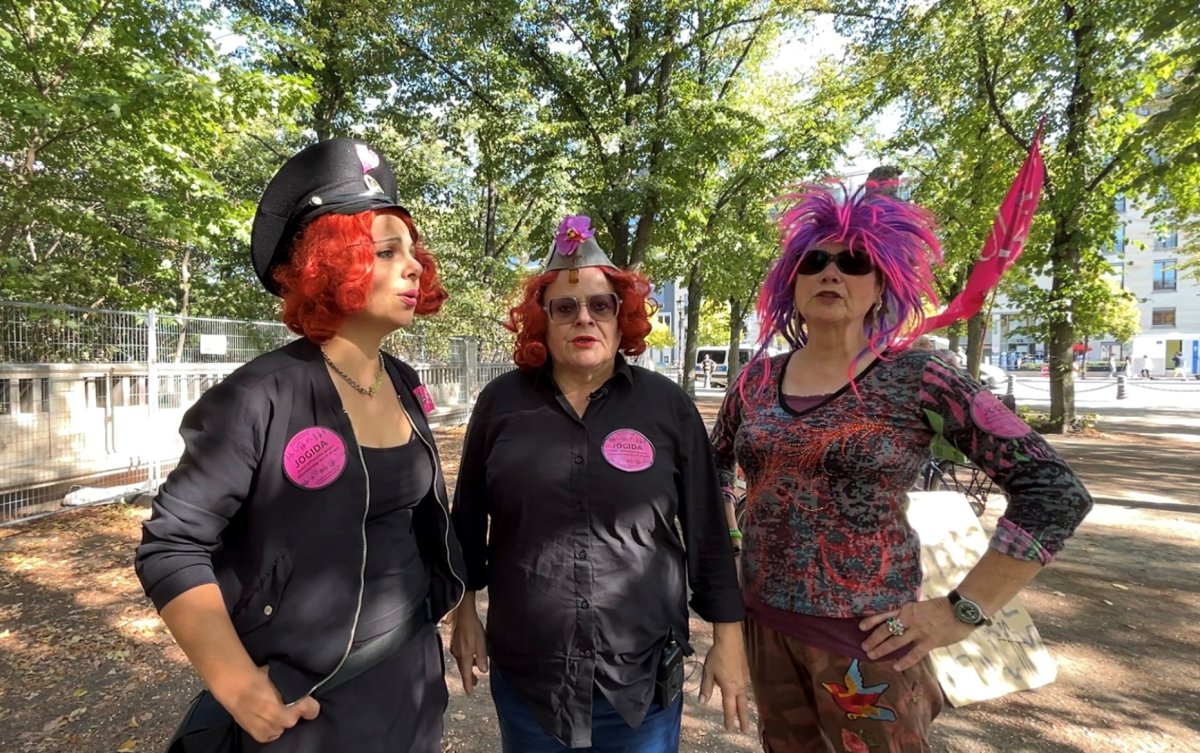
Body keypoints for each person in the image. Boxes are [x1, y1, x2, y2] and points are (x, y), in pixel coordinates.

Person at [710, 182, 1094, 752]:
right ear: (792, 280)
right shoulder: (756, 380)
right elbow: (712, 471)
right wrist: (734, 561)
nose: (831, 273)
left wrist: (961, 611)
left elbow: (1054, 492)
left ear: (882, 283)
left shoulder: (919, 376)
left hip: (871, 644)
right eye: (814, 260)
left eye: (855, 261)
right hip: (765, 632)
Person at [135, 139, 467, 752]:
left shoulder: (407, 384)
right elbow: (172, 545)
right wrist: (235, 683)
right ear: (333, 265)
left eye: (411, 250)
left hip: (412, 681)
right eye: (386, 251)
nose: (415, 266)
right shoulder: (258, 396)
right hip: (310, 710)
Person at [449, 215, 749, 752]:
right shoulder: (501, 403)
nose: (583, 317)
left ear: (622, 316)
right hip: (531, 675)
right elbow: (468, 517)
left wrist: (728, 637)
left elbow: (705, 528)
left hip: (640, 678)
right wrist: (465, 609)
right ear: (541, 321)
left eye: (601, 304)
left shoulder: (668, 408)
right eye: (565, 307)